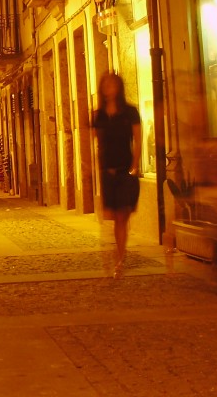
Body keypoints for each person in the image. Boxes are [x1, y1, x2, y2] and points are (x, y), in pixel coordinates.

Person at [92, 72, 141, 279]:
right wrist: (98, 169)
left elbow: (138, 140)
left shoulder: (130, 112)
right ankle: (118, 252)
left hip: (124, 170)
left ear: (119, 87)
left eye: (112, 84)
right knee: (113, 217)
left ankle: (120, 259)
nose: (109, 87)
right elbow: (97, 144)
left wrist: (134, 167)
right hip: (107, 172)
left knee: (122, 215)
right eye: (105, 84)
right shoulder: (99, 115)